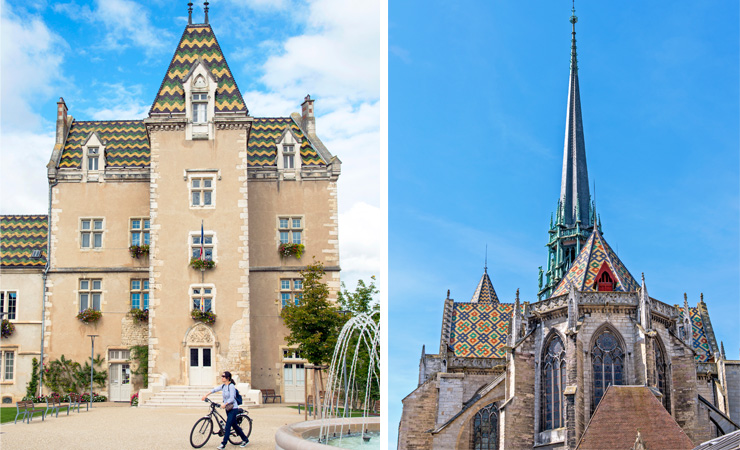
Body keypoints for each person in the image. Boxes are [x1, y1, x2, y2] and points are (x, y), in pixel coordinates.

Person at [202, 371, 249, 449]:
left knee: (227, 426)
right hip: (228, 408)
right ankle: (245, 439)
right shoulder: (223, 386)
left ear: (228, 378)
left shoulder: (231, 386)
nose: (222, 377)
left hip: (233, 408)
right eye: (222, 376)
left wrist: (224, 404)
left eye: (223, 376)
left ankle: (223, 444)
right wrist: (206, 395)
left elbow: (232, 398)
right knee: (234, 425)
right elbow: (215, 389)